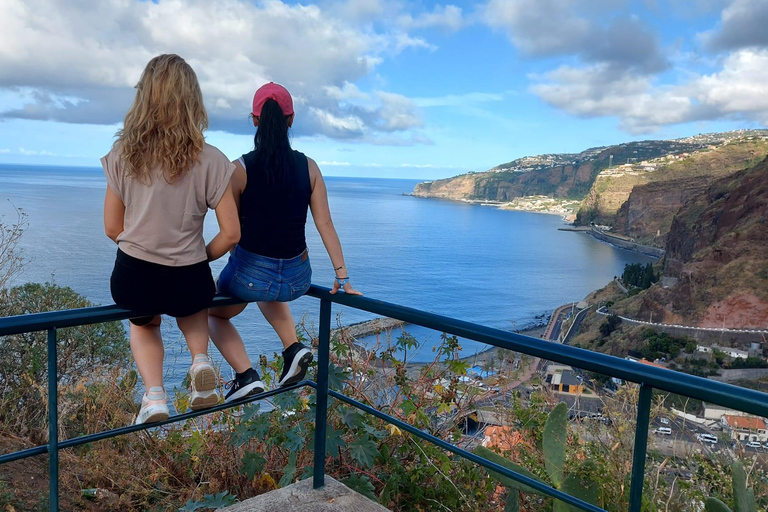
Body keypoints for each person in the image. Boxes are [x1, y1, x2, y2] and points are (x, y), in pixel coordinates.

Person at [102, 54, 241, 424]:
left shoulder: (122, 155)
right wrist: (197, 255)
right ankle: (200, 364)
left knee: (144, 323)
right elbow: (232, 234)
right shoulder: (212, 159)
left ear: (143, 97)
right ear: (192, 100)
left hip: (135, 274)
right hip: (189, 276)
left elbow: (113, 228)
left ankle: (154, 396)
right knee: (192, 306)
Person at [209, 82, 361, 402]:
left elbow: (231, 233)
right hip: (297, 278)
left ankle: (246, 375)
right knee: (269, 282)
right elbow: (325, 223)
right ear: (290, 120)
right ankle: (292, 348)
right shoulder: (310, 167)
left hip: (251, 277)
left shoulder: (239, 169)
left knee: (211, 314)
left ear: (254, 120)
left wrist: (196, 259)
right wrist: (342, 276)